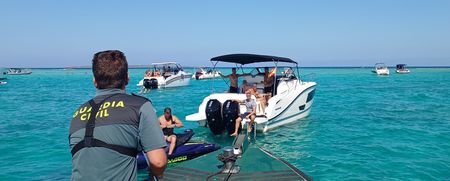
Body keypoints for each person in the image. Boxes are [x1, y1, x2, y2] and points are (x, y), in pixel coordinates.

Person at [69, 50, 167, 180]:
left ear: (94, 81)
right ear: (127, 78)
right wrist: (157, 174)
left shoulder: (77, 113)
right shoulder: (139, 105)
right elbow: (158, 162)